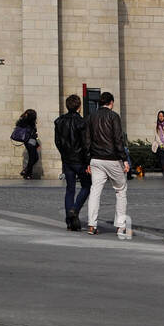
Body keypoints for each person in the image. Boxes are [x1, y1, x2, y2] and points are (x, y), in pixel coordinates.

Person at [86, 92, 130, 235]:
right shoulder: (113, 116)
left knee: (95, 191)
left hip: (96, 159)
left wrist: (88, 160)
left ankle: (92, 225)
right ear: (111, 102)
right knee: (120, 189)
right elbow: (118, 139)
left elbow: (87, 140)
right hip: (111, 158)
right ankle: (120, 225)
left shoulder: (91, 117)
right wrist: (124, 159)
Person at [54, 94, 91, 230]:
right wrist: (88, 162)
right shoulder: (82, 122)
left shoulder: (59, 121)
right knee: (87, 186)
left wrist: (64, 154)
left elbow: (57, 142)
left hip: (67, 160)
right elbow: (86, 144)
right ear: (79, 107)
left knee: (70, 189)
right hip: (80, 160)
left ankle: (70, 221)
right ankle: (74, 210)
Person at [15, 109, 39, 179]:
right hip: (30, 141)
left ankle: (28, 174)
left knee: (33, 157)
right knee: (34, 157)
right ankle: (26, 171)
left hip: (29, 141)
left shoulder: (24, 120)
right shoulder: (28, 122)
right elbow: (33, 133)